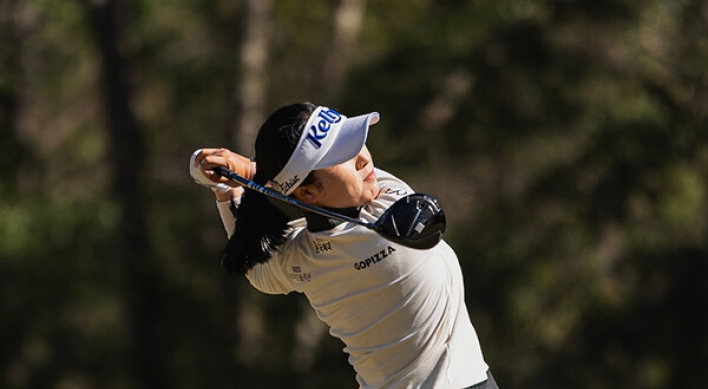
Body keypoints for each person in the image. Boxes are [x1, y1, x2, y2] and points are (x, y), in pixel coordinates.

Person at [190, 102, 499, 389]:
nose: (363, 157)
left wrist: (226, 188)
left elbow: (256, 266)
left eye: (354, 141)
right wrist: (247, 171)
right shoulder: (390, 211)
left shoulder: (302, 262)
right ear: (308, 194)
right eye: (343, 156)